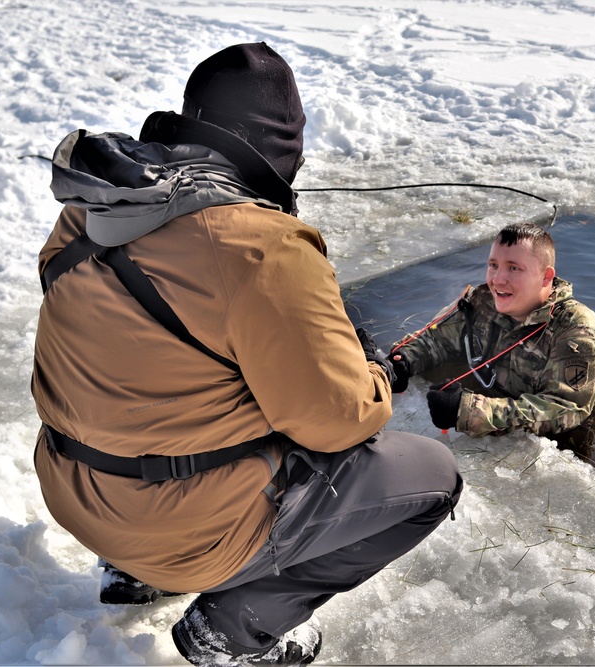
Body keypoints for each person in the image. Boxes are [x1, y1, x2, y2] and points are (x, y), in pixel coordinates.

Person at [30, 42, 461, 666]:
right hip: (176, 527)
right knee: (432, 477)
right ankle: (235, 628)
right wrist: (367, 372)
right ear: (282, 147)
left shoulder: (91, 209)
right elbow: (338, 419)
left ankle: (130, 573)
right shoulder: (262, 245)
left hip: (74, 490)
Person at [389, 222, 595, 440]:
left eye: (514, 268)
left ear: (546, 277)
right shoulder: (482, 301)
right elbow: (437, 338)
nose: (498, 280)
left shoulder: (576, 328)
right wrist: (403, 360)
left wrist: (470, 412)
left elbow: (567, 408)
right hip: (496, 395)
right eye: (493, 265)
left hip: (553, 439)